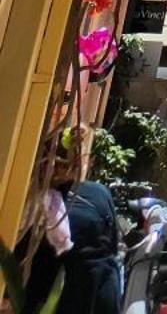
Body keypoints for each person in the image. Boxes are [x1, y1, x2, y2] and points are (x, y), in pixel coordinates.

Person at [24, 132, 123, 314]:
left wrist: (26, 306)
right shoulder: (100, 192)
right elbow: (114, 242)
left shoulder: (54, 206)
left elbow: (44, 268)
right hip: (109, 286)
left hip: (80, 293)